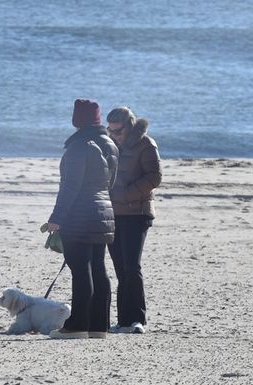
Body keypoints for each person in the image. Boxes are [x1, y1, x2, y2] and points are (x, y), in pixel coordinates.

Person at [46, 99, 118, 339]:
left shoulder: (79, 146)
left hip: (80, 214)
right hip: (104, 212)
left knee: (80, 268)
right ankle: (99, 326)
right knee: (98, 267)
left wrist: (57, 217)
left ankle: (77, 325)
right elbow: (111, 184)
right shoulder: (110, 144)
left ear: (77, 120)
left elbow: (70, 186)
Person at [105, 107, 162, 334]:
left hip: (137, 214)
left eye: (117, 131)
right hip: (113, 213)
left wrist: (126, 194)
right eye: (110, 130)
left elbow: (155, 177)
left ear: (128, 127)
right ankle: (123, 321)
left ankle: (138, 320)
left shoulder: (146, 144)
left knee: (131, 266)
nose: (114, 135)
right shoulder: (108, 144)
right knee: (120, 269)